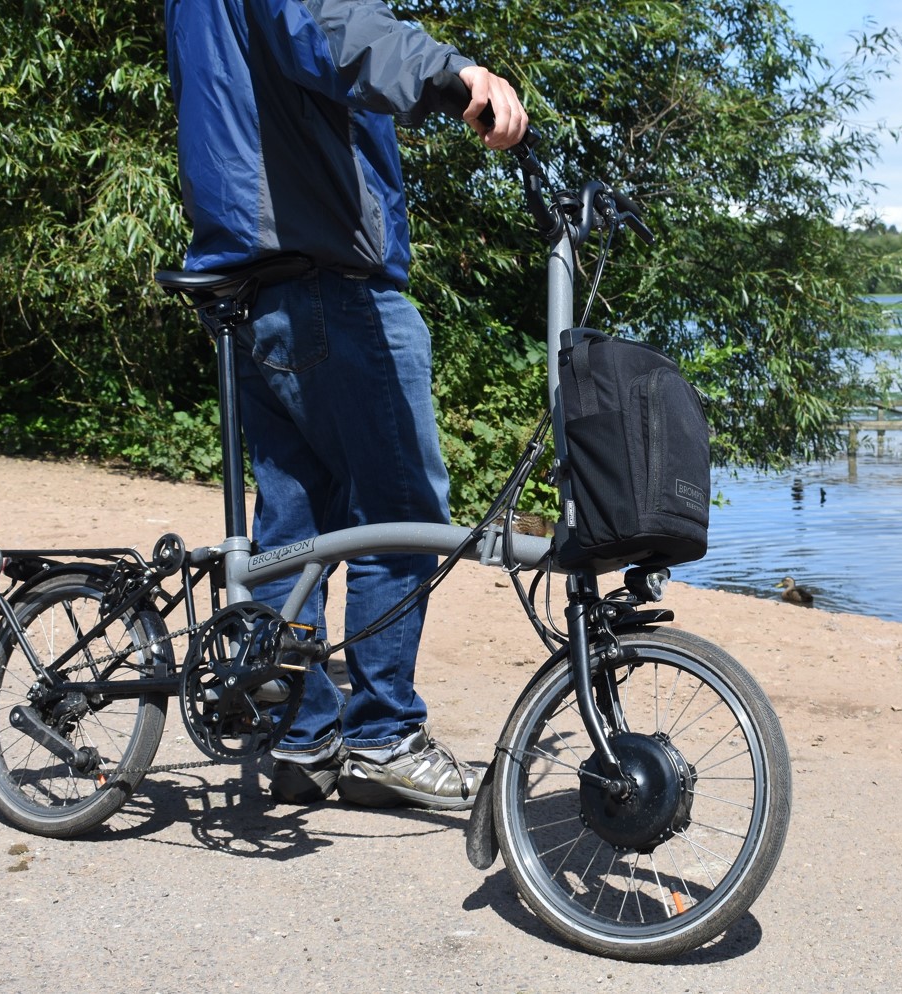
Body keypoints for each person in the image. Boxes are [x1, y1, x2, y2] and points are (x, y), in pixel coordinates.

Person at [164, 0, 529, 808]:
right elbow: (332, 31)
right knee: (399, 508)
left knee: (295, 523)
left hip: (252, 277)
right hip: (326, 277)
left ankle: (300, 738)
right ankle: (381, 735)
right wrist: (455, 72)